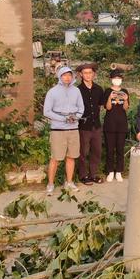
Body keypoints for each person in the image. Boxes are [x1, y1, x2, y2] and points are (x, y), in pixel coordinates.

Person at [43, 66, 85, 194]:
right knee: (55, 158)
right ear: (60, 76)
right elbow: (47, 111)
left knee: (71, 157)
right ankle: (50, 184)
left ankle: (69, 182)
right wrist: (63, 119)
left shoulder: (76, 91)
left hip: (73, 129)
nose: (67, 77)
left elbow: (81, 108)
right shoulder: (52, 92)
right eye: (64, 75)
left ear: (72, 77)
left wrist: (75, 117)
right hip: (58, 130)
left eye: (69, 75)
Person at [76, 63, 105, 186]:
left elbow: (99, 105)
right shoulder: (77, 90)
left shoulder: (99, 89)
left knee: (96, 150)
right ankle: (83, 175)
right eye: (85, 73)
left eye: (90, 72)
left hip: (96, 125)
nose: (88, 75)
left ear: (94, 74)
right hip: (84, 126)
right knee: (83, 151)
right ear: (81, 75)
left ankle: (93, 174)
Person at [102, 69, 129, 182]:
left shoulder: (124, 91)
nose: (117, 80)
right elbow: (107, 107)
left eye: (119, 78)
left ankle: (118, 171)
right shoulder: (107, 91)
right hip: (110, 124)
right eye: (115, 78)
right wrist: (110, 97)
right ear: (111, 79)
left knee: (120, 149)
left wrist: (126, 99)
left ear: (121, 79)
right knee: (109, 149)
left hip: (121, 124)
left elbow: (125, 108)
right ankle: (110, 171)